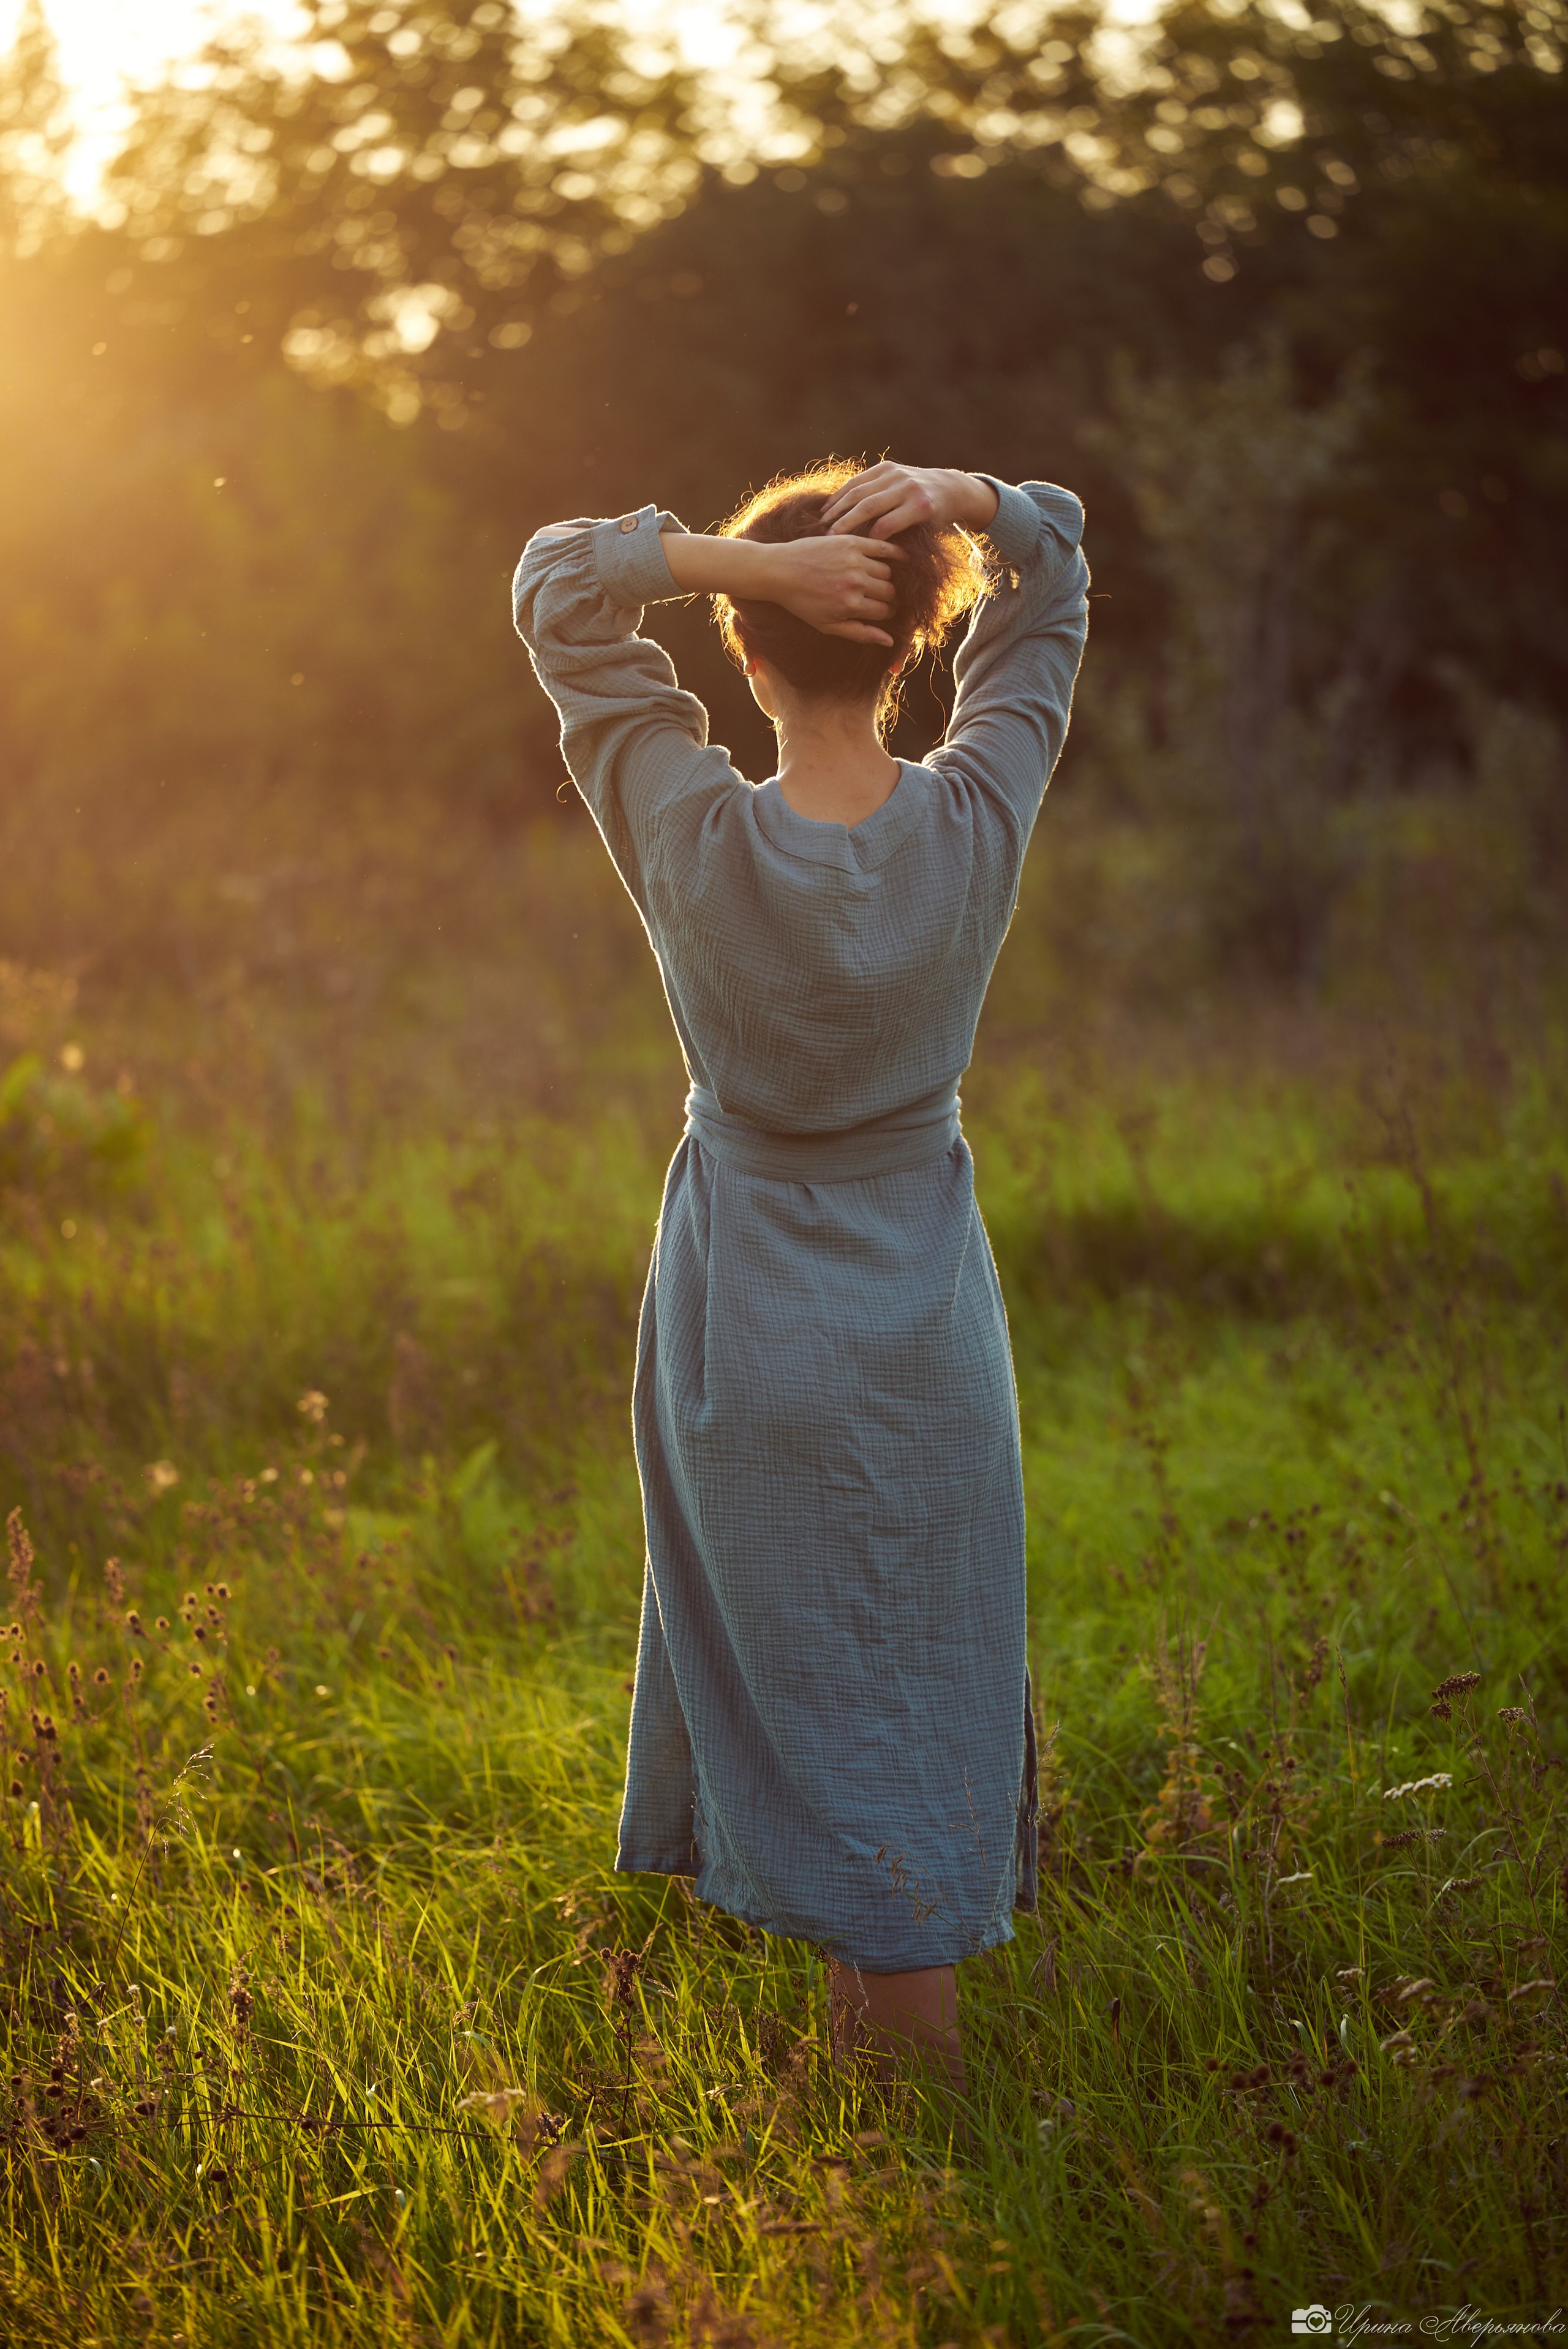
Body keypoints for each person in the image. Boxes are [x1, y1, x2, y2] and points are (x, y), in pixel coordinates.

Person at [513, 460, 1088, 2095]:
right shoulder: (980, 812)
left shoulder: (685, 822)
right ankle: (900, 2081)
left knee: (789, 1653)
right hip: (927, 1324)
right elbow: (1059, 580)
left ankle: (886, 2100)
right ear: (912, 653)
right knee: (914, 1655)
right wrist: (977, 492)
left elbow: (557, 578)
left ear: (749, 655)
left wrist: (713, 557)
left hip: (741, 1316)